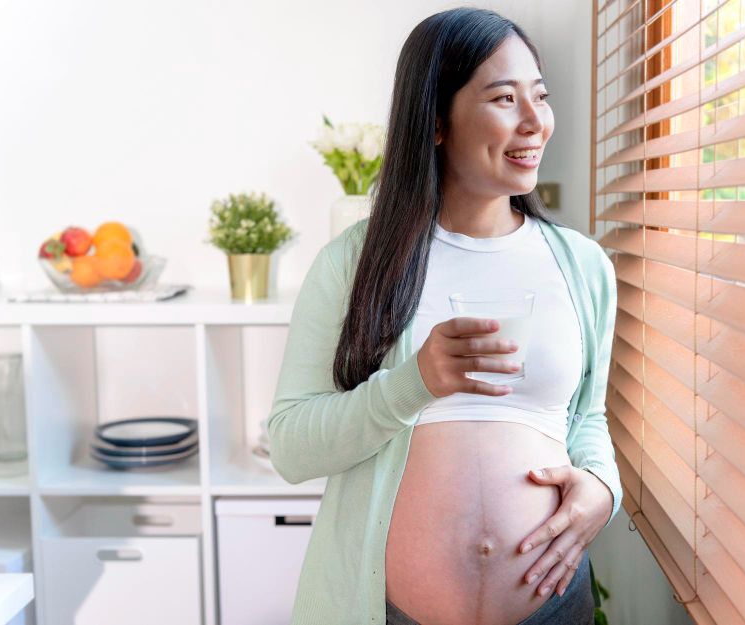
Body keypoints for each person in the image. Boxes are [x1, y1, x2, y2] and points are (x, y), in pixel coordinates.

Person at [265, 7, 621, 625]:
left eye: (540, 96)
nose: (536, 122)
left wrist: (602, 489)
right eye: (505, 98)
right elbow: (292, 447)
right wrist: (413, 384)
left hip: (552, 610)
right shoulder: (355, 263)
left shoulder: (582, 266)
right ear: (433, 121)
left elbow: (586, 416)